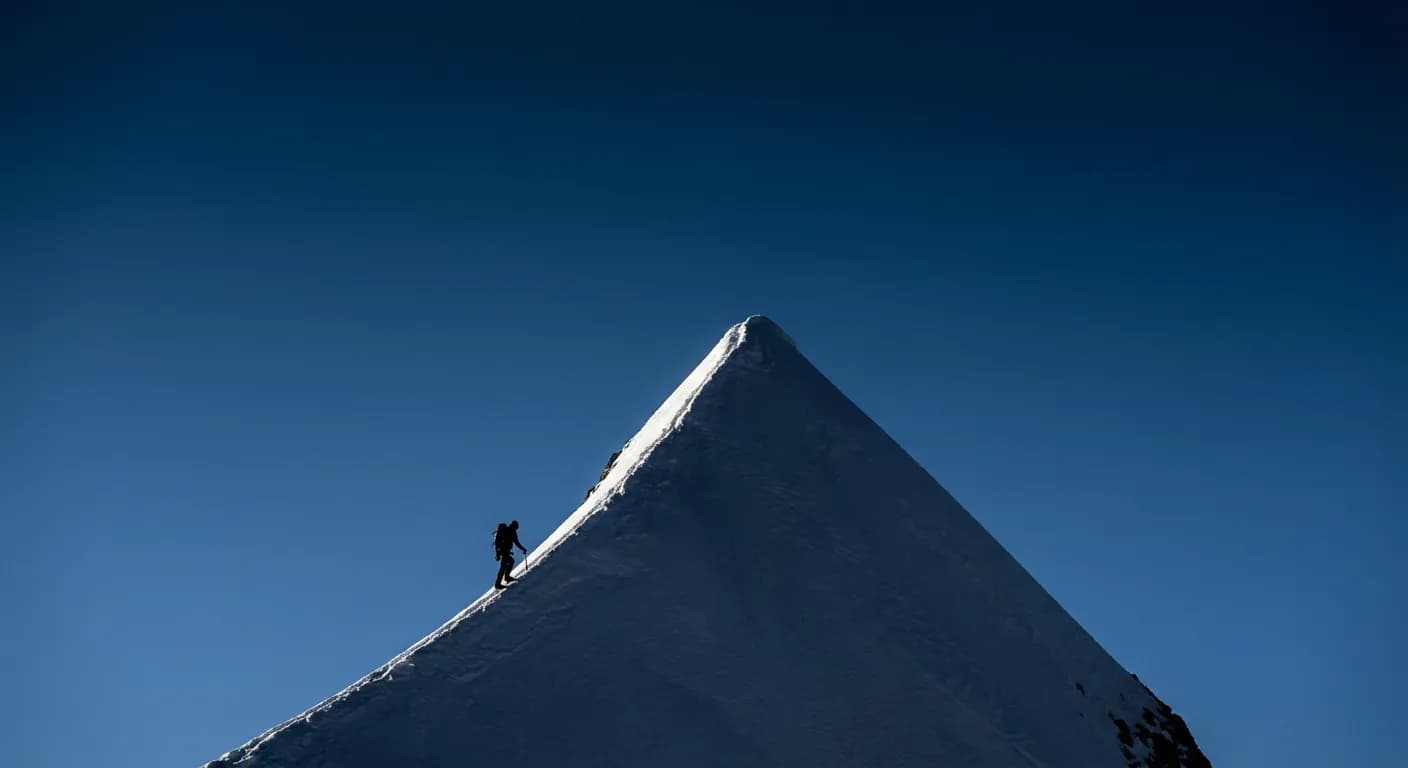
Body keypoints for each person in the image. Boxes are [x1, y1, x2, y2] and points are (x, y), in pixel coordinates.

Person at [493, 520, 528, 590]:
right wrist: (523, 549)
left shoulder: (508, 530)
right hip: (505, 551)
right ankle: (500, 582)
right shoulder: (512, 531)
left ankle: (505, 578)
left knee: (508, 563)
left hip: (503, 551)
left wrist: (498, 553)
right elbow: (516, 542)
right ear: (515, 526)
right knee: (504, 566)